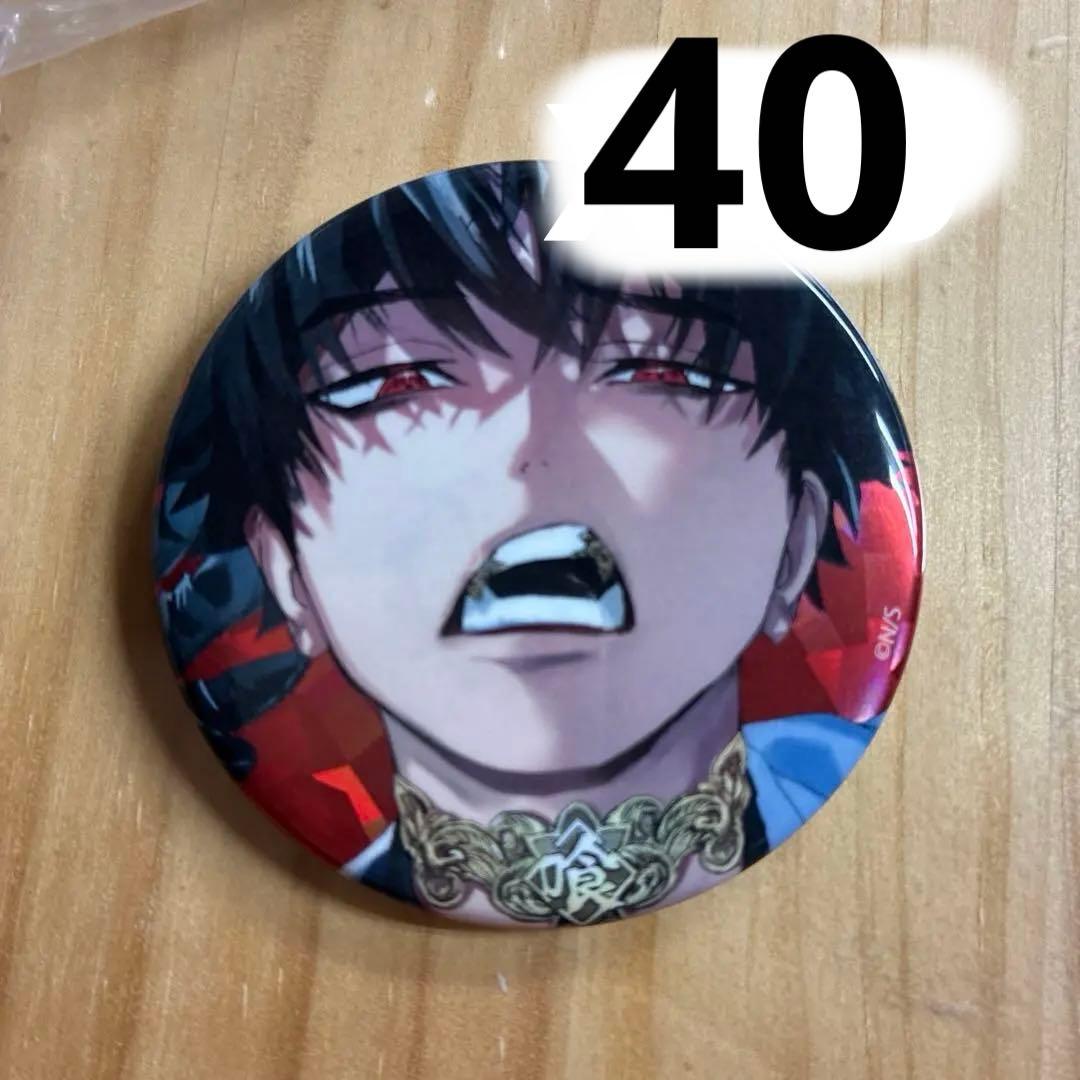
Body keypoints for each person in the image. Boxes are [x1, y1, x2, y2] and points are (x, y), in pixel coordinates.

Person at [157, 161, 913, 926]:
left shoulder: (880, 858)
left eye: (658, 369)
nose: (532, 451)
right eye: (397, 383)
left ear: (797, 541)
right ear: (286, 570)